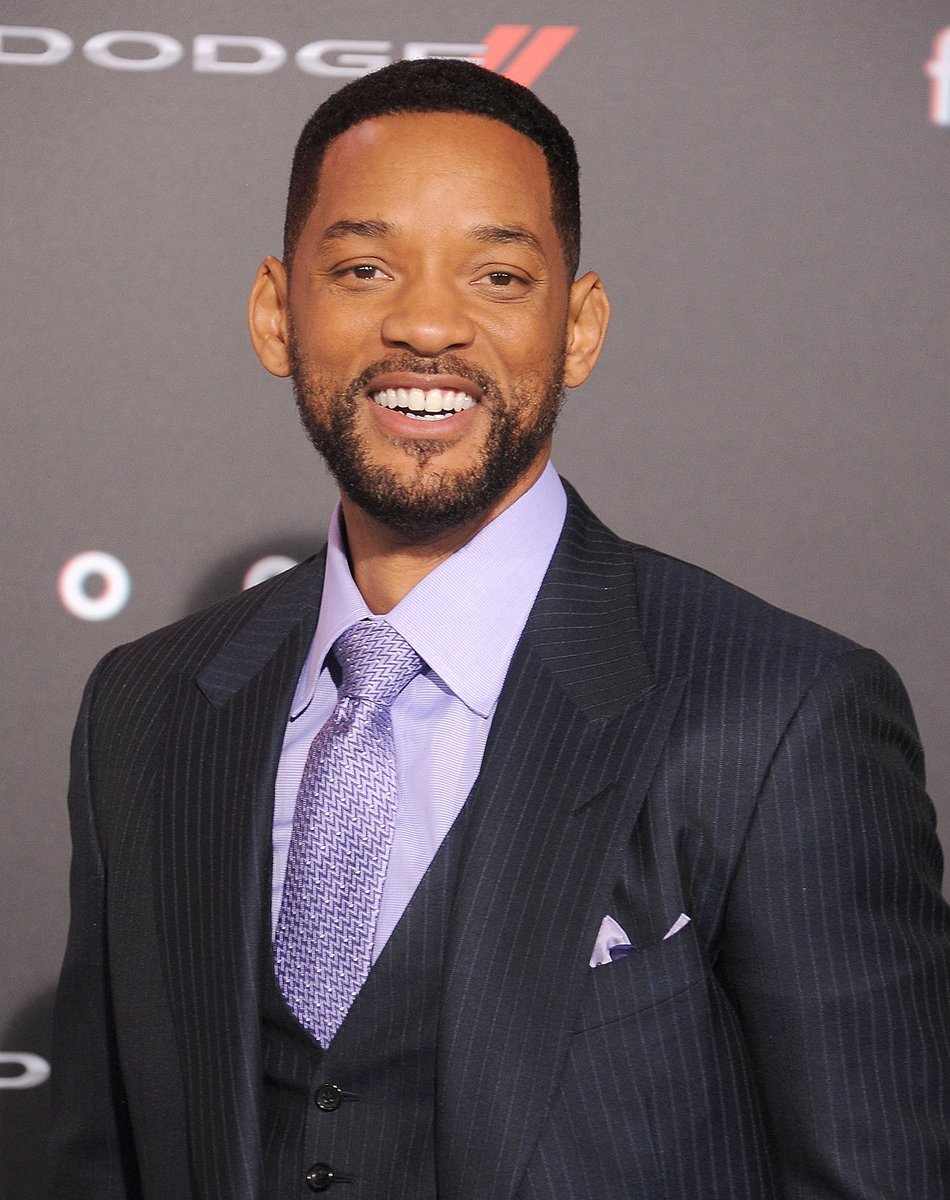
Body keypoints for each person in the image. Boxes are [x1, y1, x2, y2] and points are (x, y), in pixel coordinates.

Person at [46, 58, 949, 1200]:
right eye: (365, 269)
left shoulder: (780, 716)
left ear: (578, 329)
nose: (427, 324)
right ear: (277, 313)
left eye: (499, 276)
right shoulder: (142, 707)